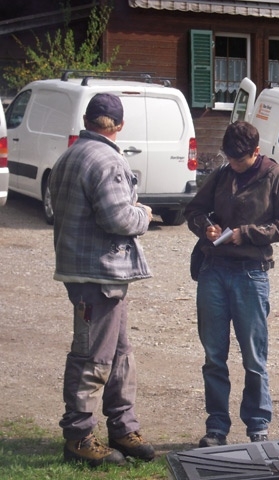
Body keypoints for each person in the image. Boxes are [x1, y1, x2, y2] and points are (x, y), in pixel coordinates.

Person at [49, 93, 156, 466]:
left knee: (119, 352)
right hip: (98, 273)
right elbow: (119, 219)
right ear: (120, 125)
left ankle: (123, 428)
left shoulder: (70, 155)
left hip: (85, 269)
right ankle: (79, 437)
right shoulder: (107, 160)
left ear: (87, 120)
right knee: (93, 356)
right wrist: (144, 214)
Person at [185, 121, 279, 447]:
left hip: (251, 274)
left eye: (240, 160)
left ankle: (258, 426)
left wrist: (246, 234)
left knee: (254, 357)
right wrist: (205, 227)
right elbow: (194, 210)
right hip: (214, 271)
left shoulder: (275, 176)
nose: (233, 165)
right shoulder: (222, 174)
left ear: (256, 152)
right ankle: (216, 428)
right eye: (230, 159)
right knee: (214, 356)